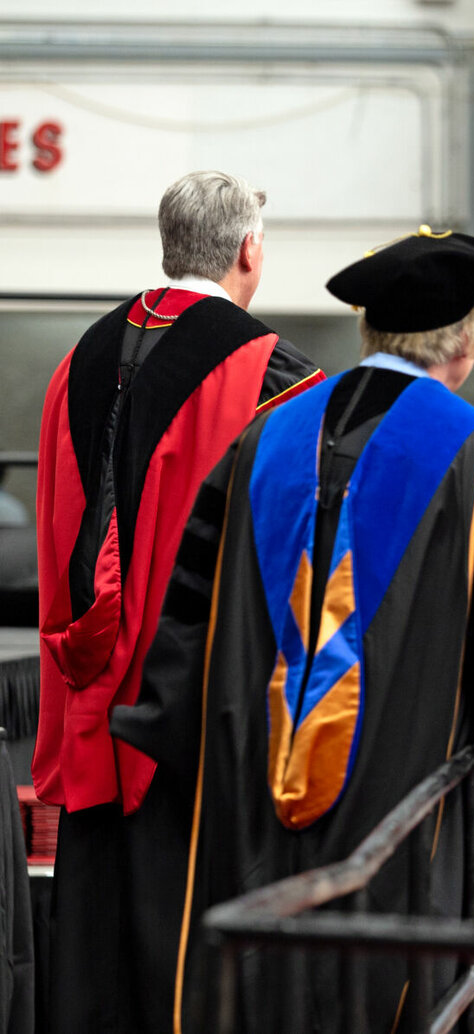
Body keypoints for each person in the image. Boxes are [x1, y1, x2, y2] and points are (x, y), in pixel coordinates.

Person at [109, 227, 474, 1031]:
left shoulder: (264, 438)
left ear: (372, 329)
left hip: (247, 789)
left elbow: (186, 627)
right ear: (469, 339)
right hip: (401, 803)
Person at [33, 170, 324, 1034]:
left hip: (92, 703)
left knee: (93, 963)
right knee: (191, 962)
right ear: (248, 253)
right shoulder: (279, 376)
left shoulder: (76, 357)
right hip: (200, 720)